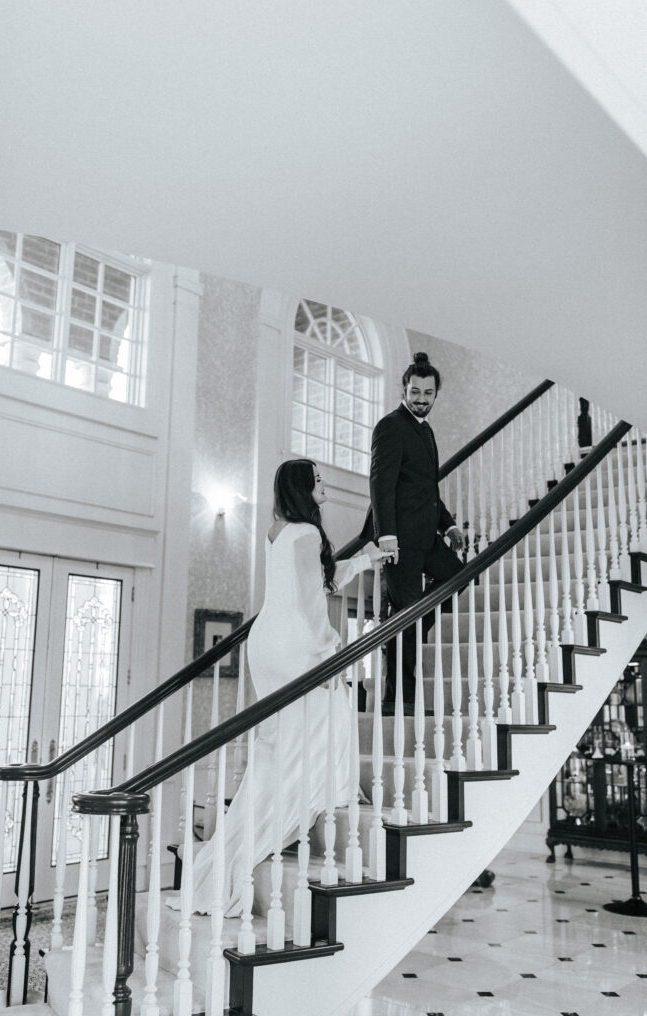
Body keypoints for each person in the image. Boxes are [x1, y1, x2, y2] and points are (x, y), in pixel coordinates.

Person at [189, 458, 388, 916]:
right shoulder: (309, 533)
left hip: (266, 645)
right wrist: (328, 651)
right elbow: (308, 601)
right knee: (332, 705)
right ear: (302, 488)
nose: (324, 486)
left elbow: (318, 583)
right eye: (317, 481)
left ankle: (285, 807)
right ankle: (330, 790)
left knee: (282, 740)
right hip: (296, 641)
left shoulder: (277, 530)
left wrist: (365, 558)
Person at [369, 352, 464, 712]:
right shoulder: (391, 425)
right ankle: (399, 699)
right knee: (405, 617)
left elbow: (427, 488)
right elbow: (380, 483)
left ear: (436, 393)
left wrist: (450, 524)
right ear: (403, 389)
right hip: (400, 541)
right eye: (415, 391)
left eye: (428, 392)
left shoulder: (425, 429)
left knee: (459, 577)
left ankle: (405, 630)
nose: (421, 399)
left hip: (428, 535)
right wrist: (386, 535)